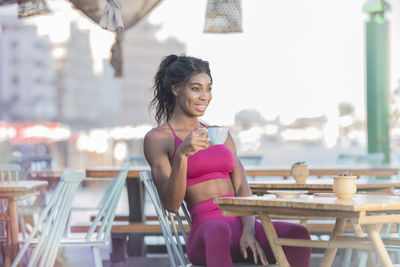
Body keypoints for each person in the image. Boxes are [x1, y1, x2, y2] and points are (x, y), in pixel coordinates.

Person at [144, 54, 311, 267]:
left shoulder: (220, 134)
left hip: (243, 227)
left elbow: (242, 187)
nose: (205, 96)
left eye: (209, 88)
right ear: (176, 89)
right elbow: (172, 204)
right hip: (206, 232)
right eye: (196, 89)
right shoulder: (159, 138)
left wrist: (249, 231)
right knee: (218, 230)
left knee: (298, 234)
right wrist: (182, 156)